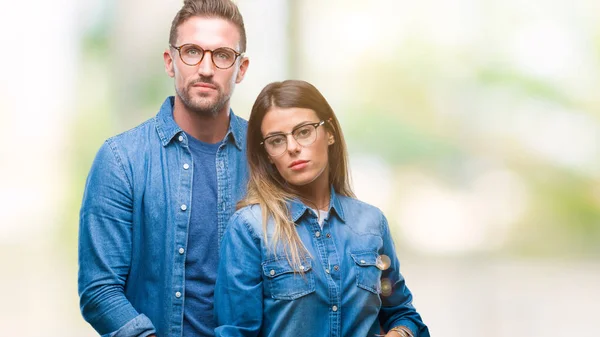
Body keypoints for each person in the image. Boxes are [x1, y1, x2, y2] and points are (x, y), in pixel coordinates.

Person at [78, 1, 249, 336]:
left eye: (223, 55)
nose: (205, 68)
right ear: (170, 62)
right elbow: (99, 290)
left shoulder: (267, 156)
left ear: (241, 68)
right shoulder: (120, 160)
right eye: (191, 51)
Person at [214, 80, 430, 337]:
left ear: (329, 132)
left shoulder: (371, 223)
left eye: (304, 131)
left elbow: (403, 313)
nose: (293, 147)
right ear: (268, 156)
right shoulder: (250, 228)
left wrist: (400, 333)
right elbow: (235, 333)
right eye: (276, 140)